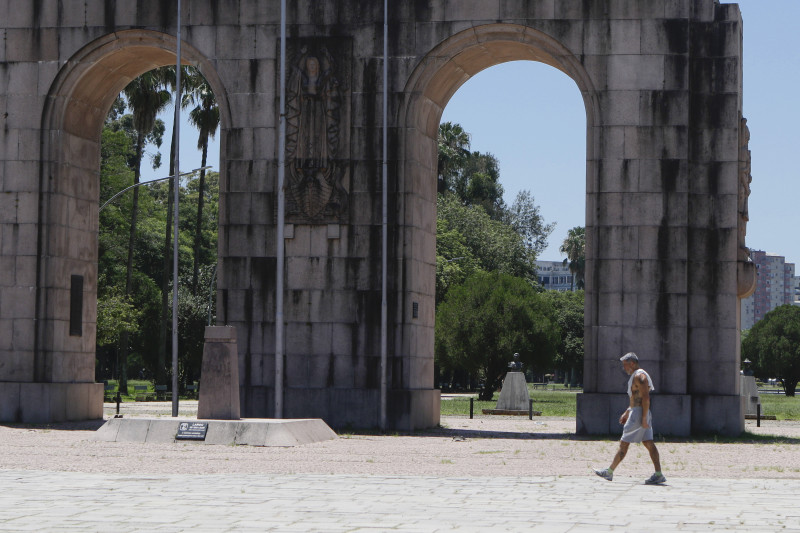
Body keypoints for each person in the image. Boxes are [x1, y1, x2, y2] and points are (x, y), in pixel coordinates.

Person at [593, 352, 666, 485]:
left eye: (625, 365)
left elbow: (645, 398)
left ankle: (609, 472)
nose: (624, 368)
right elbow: (636, 398)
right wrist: (628, 411)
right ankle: (658, 474)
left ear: (632, 363)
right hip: (639, 412)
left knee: (624, 443)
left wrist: (642, 418)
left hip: (639, 414)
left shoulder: (640, 376)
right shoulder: (637, 376)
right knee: (648, 443)